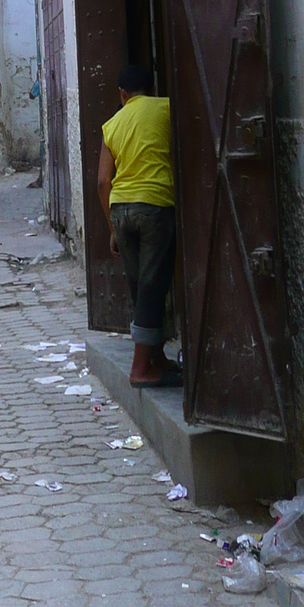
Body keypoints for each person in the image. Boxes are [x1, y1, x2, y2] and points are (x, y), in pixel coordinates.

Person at [97, 63, 180, 388]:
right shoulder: (167, 108)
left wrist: (113, 228)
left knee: (139, 287)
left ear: (122, 94)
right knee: (153, 287)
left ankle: (156, 359)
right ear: (152, 88)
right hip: (155, 205)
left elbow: (104, 180)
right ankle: (141, 368)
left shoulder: (112, 124)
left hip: (121, 209)